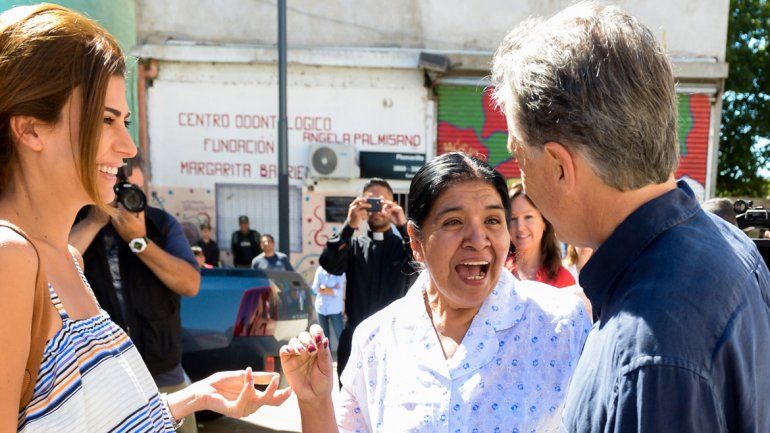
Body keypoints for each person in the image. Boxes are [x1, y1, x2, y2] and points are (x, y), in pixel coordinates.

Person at [1, 5, 290, 432]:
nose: (128, 146)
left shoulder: (67, 259)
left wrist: (194, 396)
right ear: (30, 130)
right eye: (106, 120)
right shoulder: (10, 258)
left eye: (126, 121)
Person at [491, 3, 770, 432]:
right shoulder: (729, 246)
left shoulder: (647, 354)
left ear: (559, 166)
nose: (520, 177)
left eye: (517, 155)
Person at [280, 152, 591, 432]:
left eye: (493, 220)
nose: (477, 238)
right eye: (454, 221)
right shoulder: (377, 340)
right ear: (416, 242)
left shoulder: (561, 325)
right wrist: (314, 401)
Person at [71, 159, 205, 433]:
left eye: (136, 189)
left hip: (162, 371)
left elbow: (190, 284)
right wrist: (95, 220)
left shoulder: (160, 224)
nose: (127, 197)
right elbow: (49, 268)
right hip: (101, 376)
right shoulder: (78, 219)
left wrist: (139, 241)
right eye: (120, 187)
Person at [319, 177, 416, 381]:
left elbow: (421, 265)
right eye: (371, 202)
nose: (376, 208)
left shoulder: (404, 248)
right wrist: (349, 224)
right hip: (355, 341)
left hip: (395, 342)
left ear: (393, 205)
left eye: (382, 202)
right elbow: (330, 264)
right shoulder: (353, 245)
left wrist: (403, 225)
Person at [506, 182, 575, 287]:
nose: (520, 227)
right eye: (513, 218)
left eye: (528, 217)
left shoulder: (563, 280)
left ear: (544, 222)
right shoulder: (497, 272)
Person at [310, 266, 345, 346]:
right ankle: (327, 358)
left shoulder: (340, 272)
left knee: (341, 335)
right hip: (321, 308)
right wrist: (331, 289)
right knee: (324, 339)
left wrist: (323, 287)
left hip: (335, 309)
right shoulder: (320, 270)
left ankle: (345, 357)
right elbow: (314, 289)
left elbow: (338, 292)